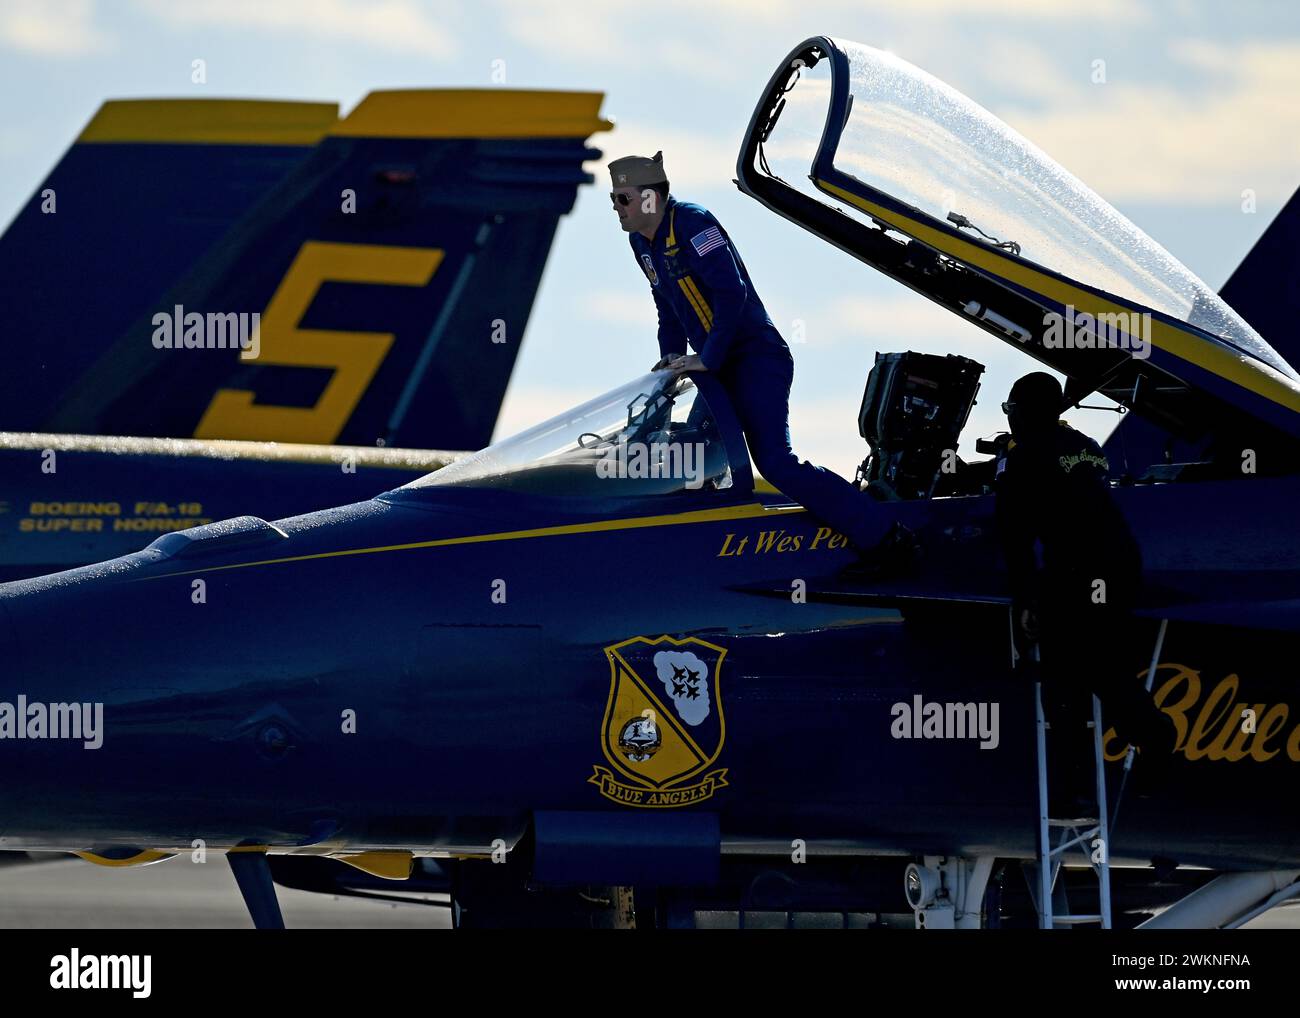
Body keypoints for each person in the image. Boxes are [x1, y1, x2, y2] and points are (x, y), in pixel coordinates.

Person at [608, 150, 888, 556]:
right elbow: (666, 307)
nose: (617, 208)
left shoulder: (692, 222)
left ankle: (883, 536)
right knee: (691, 454)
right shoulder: (642, 244)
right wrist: (669, 365)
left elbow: (730, 292)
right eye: (614, 199)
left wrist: (708, 357)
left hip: (755, 358)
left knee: (775, 462)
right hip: (716, 365)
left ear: (650, 198)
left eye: (623, 198)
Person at [994, 372, 1175, 809]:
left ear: (1023, 411)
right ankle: (1148, 741)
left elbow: (1014, 537)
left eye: (1010, 409)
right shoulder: (1088, 447)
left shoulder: (1024, 457)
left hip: (1077, 571)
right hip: (1120, 565)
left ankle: (1077, 788)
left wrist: (1025, 602)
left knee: (1067, 680)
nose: (1010, 418)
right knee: (1101, 666)